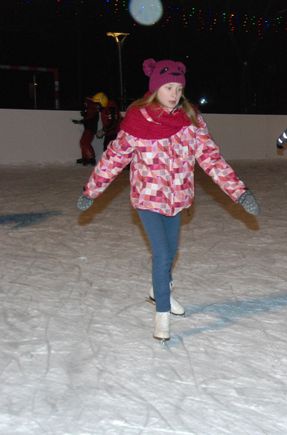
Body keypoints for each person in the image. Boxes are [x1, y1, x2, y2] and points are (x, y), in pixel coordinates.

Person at [76, 58, 260, 341]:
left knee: (170, 254)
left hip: (177, 200)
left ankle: (158, 290)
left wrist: (239, 192)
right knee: (162, 254)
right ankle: (162, 314)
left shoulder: (191, 121)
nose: (174, 93)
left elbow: (211, 159)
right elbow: (113, 159)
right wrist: (91, 191)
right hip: (148, 200)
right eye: (168, 87)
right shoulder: (137, 121)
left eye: (178, 88)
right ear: (155, 89)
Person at [72, 92, 106, 166]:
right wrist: (84, 115)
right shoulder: (92, 107)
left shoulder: (92, 107)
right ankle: (86, 158)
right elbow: (89, 116)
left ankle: (91, 158)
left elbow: (89, 118)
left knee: (85, 142)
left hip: (90, 128)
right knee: (83, 142)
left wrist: (81, 120)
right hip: (89, 127)